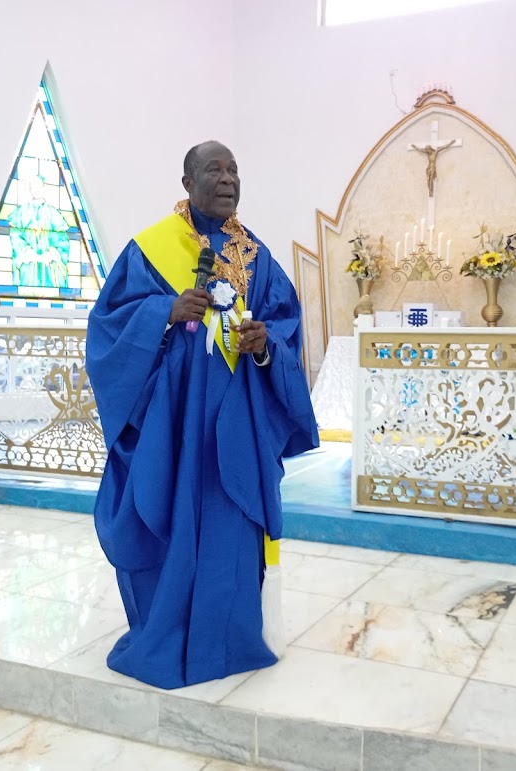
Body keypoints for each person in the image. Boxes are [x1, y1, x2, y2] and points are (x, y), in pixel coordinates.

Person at [86, 141, 319, 689]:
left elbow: (285, 329)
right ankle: (164, 635)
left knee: (230, 527)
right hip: (172, 426)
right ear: (187, 182)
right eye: (215, 170)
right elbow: (108, 327)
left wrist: (264, 345)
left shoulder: (258, 259)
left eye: (234, 170)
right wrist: (163, 312)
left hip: (237, 424)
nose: (228, 179)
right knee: (169, 518)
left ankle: (230, 640)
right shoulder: (150, 250)